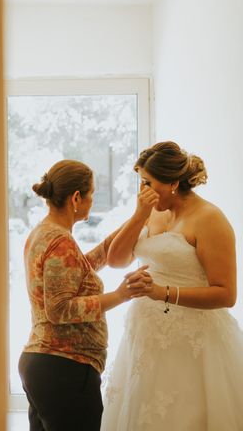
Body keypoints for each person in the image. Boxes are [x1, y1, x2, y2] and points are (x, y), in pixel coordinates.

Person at [101, 141, 243, 430]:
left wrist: (161, 292)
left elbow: (226, 294)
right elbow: (116, 259)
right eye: (141, 182)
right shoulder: (151, 211)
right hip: (145, 337)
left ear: (174, 183)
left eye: (148, 183)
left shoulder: (210, 219)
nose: (143, 191)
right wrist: (139, 214)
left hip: (194, 343)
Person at [18, 159, 150, 430]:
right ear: (76, 198)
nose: (92, 201)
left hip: (45, 366)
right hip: (64, 368)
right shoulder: (60, 240)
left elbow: (80, 268)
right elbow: (59, 309)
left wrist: (138, 219)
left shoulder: (44, 234)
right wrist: (121, 294)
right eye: (91, 195)